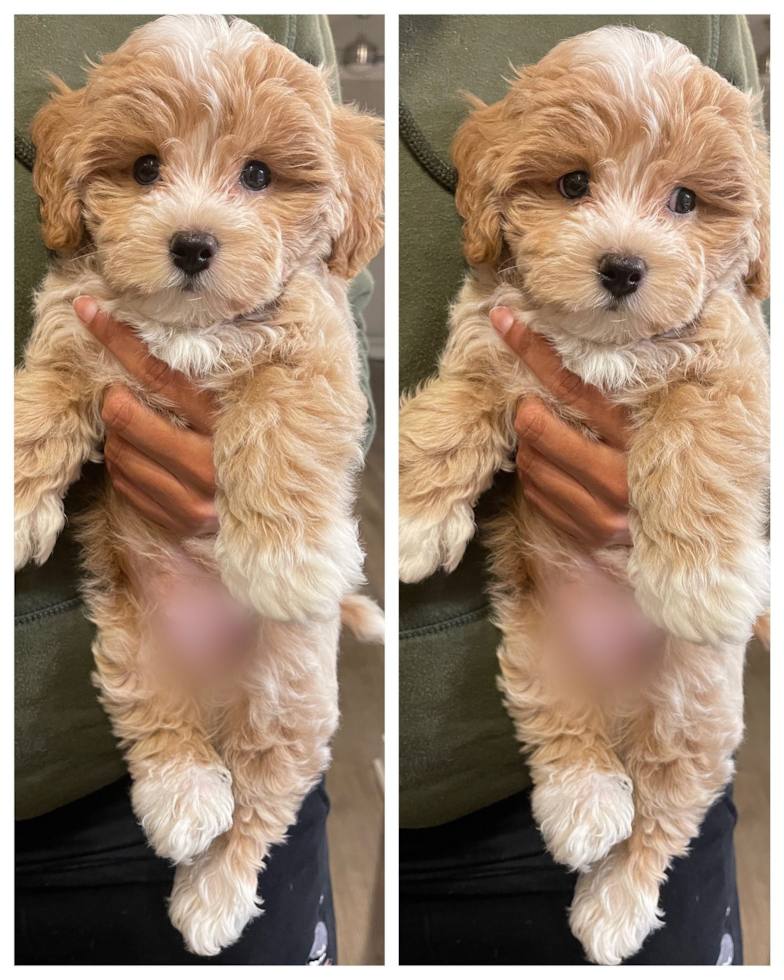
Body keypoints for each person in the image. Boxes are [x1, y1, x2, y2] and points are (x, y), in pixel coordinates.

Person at [398, 14, 762, 965]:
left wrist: (692, 528)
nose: (625, 242)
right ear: (493, 196)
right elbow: (468, 395)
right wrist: (428, 487)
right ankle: (573, 758)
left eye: (683, 199)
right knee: (544, 633)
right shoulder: (501, 311)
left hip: (676, 640)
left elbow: (741, 402)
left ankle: (642, 862)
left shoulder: (713, 325)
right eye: (573, 185)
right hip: (438, 749)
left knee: (686, 719)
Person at [15, 14, 375, 965]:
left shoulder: (300, 308)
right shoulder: (86, 301)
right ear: (69, 184)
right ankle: (173, 756)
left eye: (257, 177)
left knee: (282, 706)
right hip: (106, 646)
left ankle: (244, 851)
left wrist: (271, 502)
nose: (191, 222)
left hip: (262, 619)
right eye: (141, 171)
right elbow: (55, 384)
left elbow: (334, 399)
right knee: (145, 647)